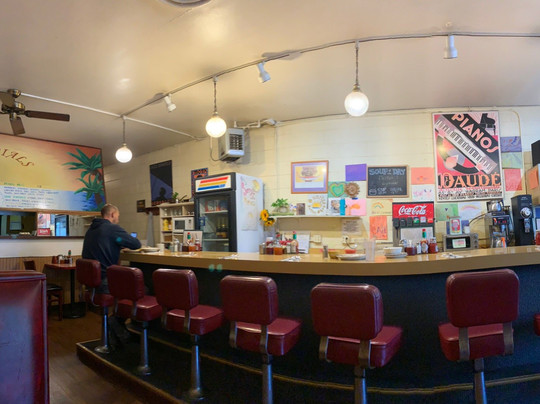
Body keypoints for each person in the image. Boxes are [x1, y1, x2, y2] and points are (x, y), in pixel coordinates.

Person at [82, 203, 141, 347]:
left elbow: (108, 242)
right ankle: (116, 322)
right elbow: (136, 244)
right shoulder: (112, 228)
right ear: (112, 214)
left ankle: (116, 331)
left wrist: (118, 242)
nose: (118, 219)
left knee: (133, 287)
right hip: (105, 282)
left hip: (91, 283)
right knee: (142, 289)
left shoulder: (91, 230)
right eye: (118, 216)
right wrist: (120, 241)